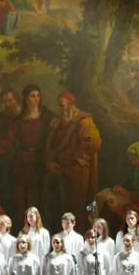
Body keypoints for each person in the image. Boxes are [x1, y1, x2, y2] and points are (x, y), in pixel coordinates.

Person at [0, 85, 54, 218]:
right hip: (21, 159)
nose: (36, 99)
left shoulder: (46, 117)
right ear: (25, 99)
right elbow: (9, 139)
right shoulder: (19, 120)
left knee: (36, 196)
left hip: (38, 160)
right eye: (32, 96)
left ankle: (36, 226)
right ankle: (21, 225)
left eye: (37, 96)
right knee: (20, 197)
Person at [42, 92, 102, 220]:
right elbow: (53, 144)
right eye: (60, 106)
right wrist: (50, 161)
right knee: (59, 208)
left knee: (78, 208)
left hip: (77, 173)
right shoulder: (61, 120)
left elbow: (94, 141)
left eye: (64, 106)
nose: (63, 109)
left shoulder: (85, 121)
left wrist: (80, 155)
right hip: (61, 171)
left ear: (71, 105)